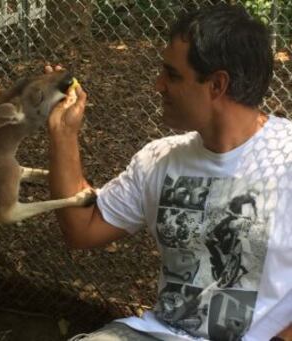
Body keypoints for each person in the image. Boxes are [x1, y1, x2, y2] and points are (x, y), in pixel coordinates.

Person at [47, 3, 292, 341]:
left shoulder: (286, 159)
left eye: (172, 75)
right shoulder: (159, 159)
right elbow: (82, 229)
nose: (158, 86)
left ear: (217, 85)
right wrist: (63, 135)